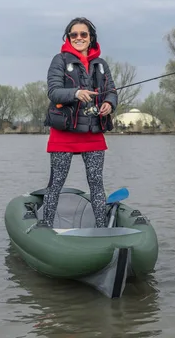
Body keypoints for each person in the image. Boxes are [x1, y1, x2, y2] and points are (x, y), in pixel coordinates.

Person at [41, 17, 118, 228]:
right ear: (68, 38)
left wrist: (109, 104)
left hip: (93, 132)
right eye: (73, 35)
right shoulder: (59, 60)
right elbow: (54, 91)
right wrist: (75, 93)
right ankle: (45, 226)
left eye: (83, 34)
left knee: (96, 183)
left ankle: (102, 228)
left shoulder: (101, 65)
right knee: (56, 183)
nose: (78, 38)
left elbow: (111, 91)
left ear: (91, 37)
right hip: (64, 132)